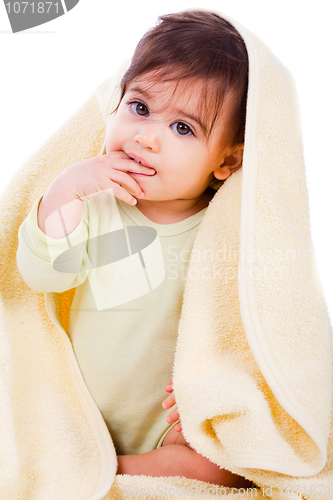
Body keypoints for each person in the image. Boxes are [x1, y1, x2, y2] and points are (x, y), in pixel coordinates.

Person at [16, 11, 253, 488]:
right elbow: (43, 277)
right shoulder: (94, 202)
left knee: (219, 466)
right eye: (140, 108)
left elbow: (245, 332)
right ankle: (78, 458)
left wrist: (211, 396)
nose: (146, 137)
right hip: (75, 407)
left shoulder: (225, 233)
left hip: (166, 425)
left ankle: (114, 471)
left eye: (183, 129)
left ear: (227, 160)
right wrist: (65, 190)